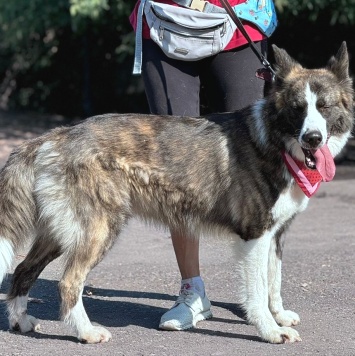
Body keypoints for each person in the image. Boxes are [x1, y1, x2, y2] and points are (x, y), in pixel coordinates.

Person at [129, 0, 276, 331]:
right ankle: (192, 291)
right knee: (177, 165)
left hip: (241, 17)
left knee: (253, 161)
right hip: (165, 20)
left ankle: (264, 294)